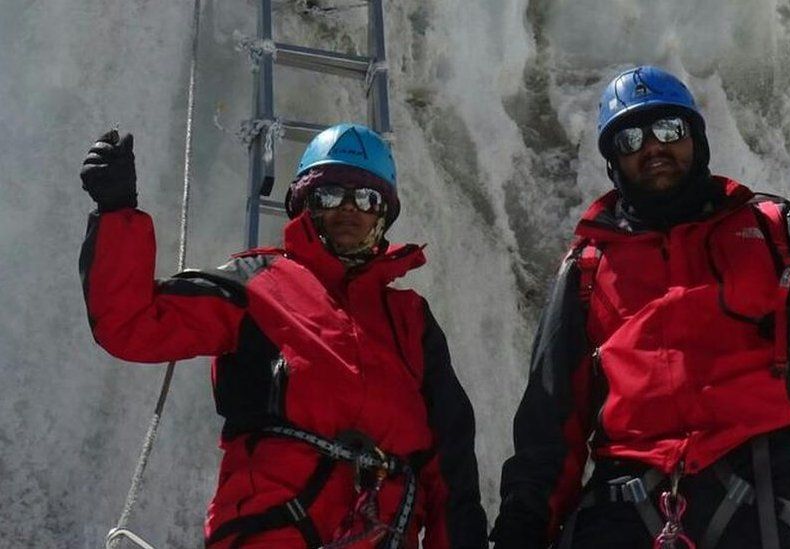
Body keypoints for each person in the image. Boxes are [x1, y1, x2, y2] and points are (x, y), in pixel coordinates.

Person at [490, 22, 790, 549]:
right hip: (625, 505)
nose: (653, 148)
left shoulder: (774, 234)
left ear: (696, 138)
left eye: (668, 130)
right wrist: (520, 529)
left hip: (761, 493)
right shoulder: (588, 271)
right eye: (630, 139)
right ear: (614, 162)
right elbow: (550, 425)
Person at [79, 123, 488, 548]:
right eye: (330, 194)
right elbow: (132, 323)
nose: (349, 209)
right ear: (305, 204)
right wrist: (116, 212)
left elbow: (451, 465)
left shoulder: (411, 320)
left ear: (383, 214)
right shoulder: (256, 283)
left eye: (366, 198)